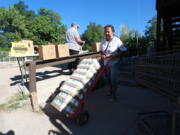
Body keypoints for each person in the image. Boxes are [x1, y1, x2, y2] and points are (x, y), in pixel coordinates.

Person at [100, 24, 127, 102]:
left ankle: (113, 95)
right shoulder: (103, 40)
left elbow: (124, 50)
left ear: (113, 32)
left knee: (113, 80)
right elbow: (101, 51)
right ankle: (111, 90)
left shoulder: (117, 40)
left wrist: (115, 56)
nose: (106, 33)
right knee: (107, 79)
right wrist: (102, 55)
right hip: (106, 63)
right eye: (105, 32)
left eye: (108, 32)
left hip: (114, 63)